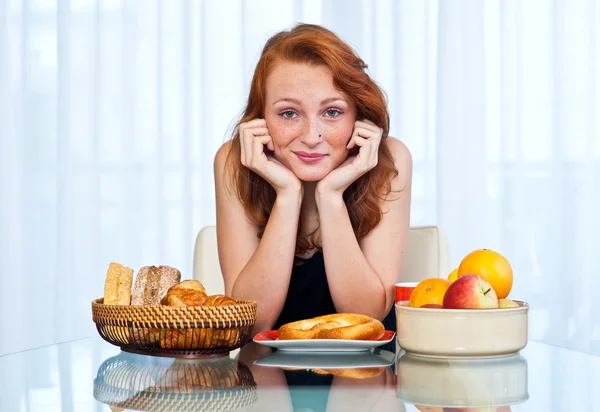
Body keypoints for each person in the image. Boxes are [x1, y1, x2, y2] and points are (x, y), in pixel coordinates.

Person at [213, 23, 412, 338]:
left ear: (358, 117)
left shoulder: (390, 159)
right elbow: (251, 323)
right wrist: (288, 194)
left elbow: (364, 318)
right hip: (265, 375)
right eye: (289, 114)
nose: (311, 137)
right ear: (261, 118)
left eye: (332, 112)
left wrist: (330, 195)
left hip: (368, 375)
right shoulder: (233, 161)